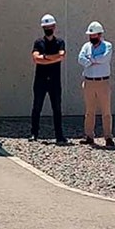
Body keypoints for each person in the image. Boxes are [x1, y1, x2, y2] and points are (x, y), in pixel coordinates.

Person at [30, 14, 67, 144]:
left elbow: (62, 56)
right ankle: (34, 133)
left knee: (57, 108)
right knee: (37, 107)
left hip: (55, 81)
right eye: (45, 27)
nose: (48, 29)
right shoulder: (38, 42)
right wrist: (53, 58)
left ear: (54, 27)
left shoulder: (60, 42)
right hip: (40, 80)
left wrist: (44, 58)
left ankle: (59, 135)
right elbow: (36, 58)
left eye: (50, 26)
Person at [77, 21, 114, 147]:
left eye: (94, 35)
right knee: (89, 111)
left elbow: (105, 58)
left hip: (103, 82)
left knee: (106, 111)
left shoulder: (107, 46)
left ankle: (108, 137)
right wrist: (93, 61)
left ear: (100, 34)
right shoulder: (86, 46)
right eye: (90, 35)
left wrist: (91, 59)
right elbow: (80, 59)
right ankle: (89, 136)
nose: (92, 37)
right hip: (89, 81)